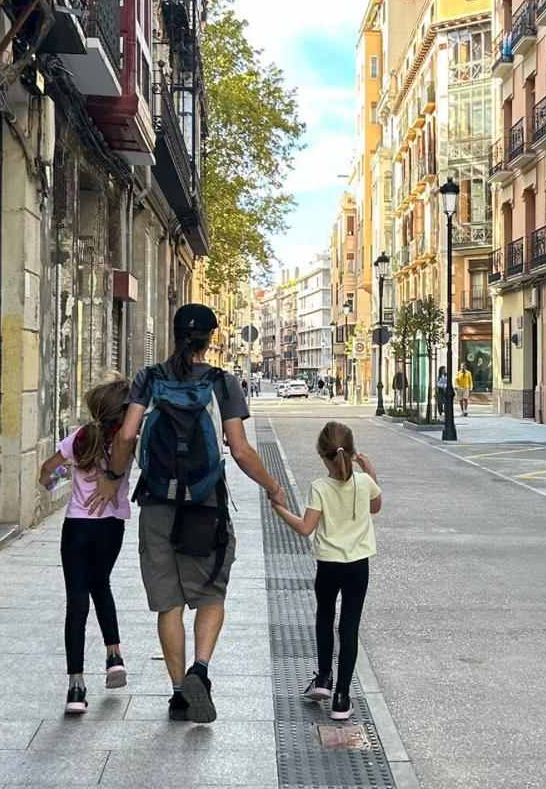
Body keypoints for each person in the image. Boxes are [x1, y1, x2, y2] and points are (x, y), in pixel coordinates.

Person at [90, 304, 288, 724]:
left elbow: (127, 434)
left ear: (174, 334)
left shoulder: (148, 377)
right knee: (211, 594)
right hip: (206, 504)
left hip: (158, 502)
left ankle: (180, 694)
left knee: (169, 602)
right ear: (211, 338)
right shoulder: (223, 382)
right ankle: (201, 669)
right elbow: (239, 449)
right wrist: (273, 487)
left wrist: (112, 477)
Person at [270, 421, 382, 721]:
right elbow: (376, 507)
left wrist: (278, 507)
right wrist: (369, 471)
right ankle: (342, 699)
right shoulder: (363, 482)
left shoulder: (320, 487)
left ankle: (322, 679)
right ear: (353, 452)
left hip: (328, 564)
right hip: (358, 565)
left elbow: (306, 528)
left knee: (324, 617)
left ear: (323, 455)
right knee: (349, 627)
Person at [38, 376, 135, 715]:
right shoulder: (126, 442)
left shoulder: (79, 437)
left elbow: (46, 473)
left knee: (76, 603)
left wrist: (62, 480)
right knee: (101, 584)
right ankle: (114, 656)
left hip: (77, 526)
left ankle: (76, 687)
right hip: (111, 527)